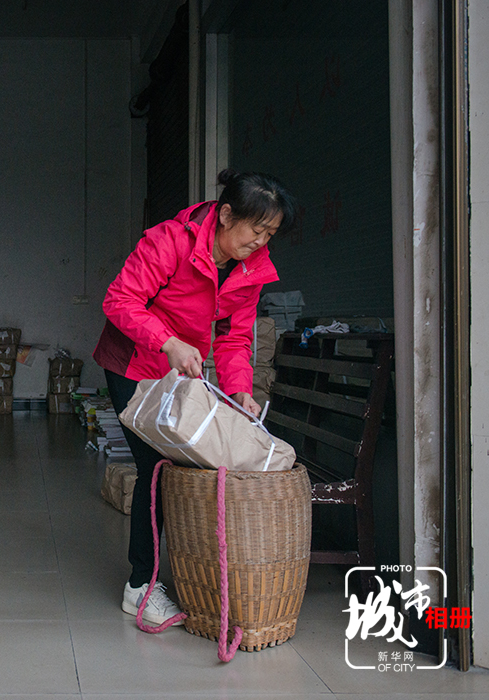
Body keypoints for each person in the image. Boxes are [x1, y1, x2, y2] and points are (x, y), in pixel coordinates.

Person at [92, 169, 296, 625]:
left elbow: (234, 338)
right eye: (256, 230)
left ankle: (187, 572)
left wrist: (240, 390)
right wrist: (167, 341)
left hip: (179, 367)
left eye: (271, 234)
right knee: (156, 468)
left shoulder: (250, 269)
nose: (261, 242)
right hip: (134, 362)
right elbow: (120, 300)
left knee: (186, 466)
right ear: (226, 215)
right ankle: (141, 586)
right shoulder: (171, 241)